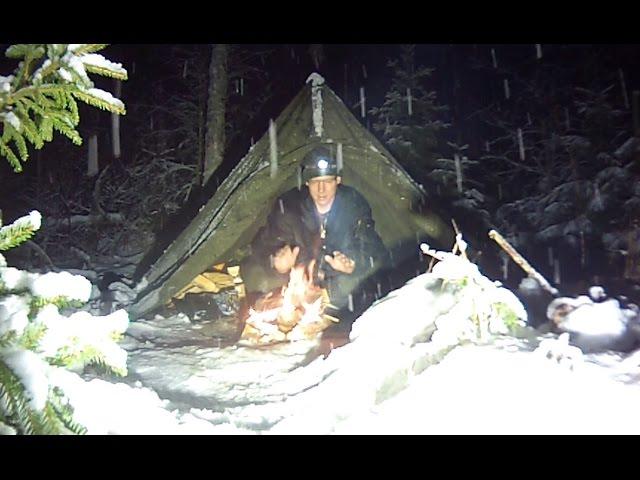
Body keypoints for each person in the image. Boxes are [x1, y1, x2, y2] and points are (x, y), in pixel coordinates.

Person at [239, 144, 390, 324]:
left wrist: (353, 264)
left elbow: (374, 248)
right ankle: (280, 312)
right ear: (307, 183)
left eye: (327, 181)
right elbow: (262, 244)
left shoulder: (353, 205)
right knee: (252, 272)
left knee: (362, 284)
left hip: (336, 281)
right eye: (315, 182)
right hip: (297, 280)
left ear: (338, 180)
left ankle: (339, 318)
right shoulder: (289, 206)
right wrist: (276, 261)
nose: (321, 189)